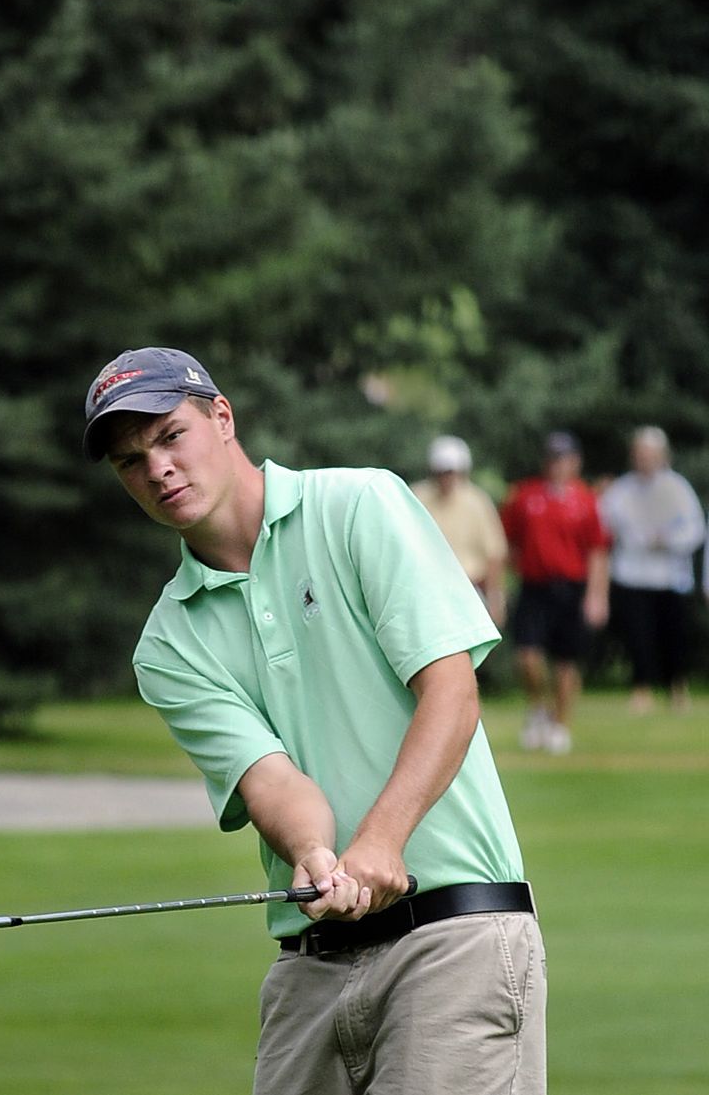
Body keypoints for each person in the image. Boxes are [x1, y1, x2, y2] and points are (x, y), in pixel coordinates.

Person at [83, 347, 545, 1095]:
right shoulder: (168, 643)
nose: (158, 469)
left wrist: (382, 839)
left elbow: (451, 692)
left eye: (171, 436)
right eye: (130, 461)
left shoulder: (358, 505)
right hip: (310, 970)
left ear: (222, 417)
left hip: (453, 937)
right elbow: (273, 781)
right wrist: (315, 853)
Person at [500, 431, 610, 754]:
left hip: (571, 588)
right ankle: (538, 708)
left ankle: (560, 724)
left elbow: (597, 551)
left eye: (563, 458)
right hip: (534, 587)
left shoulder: (585, 500)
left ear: (575, 462)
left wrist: (597, 595)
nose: (557, 465)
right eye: (552, 458)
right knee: (527, 656)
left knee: (566, 661)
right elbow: (507, 540)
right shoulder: (526, 495)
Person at [599, 427, 704, 714]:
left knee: (674, 635)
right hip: (633, 575)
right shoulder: (621, 490)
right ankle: (641, 687)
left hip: (670, 576)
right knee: (638, 635)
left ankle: (677, 686)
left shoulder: (677, 488)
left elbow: (694, 529)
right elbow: (604, 524)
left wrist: (668, 541)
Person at [411, 435, 509, 628]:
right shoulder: (417, 497)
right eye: (442, 472)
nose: (447, 478)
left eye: (451, 472)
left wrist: (494, 597)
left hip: (468, 588)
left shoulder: (477, 501)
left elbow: (494, 553)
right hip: (426, 590)